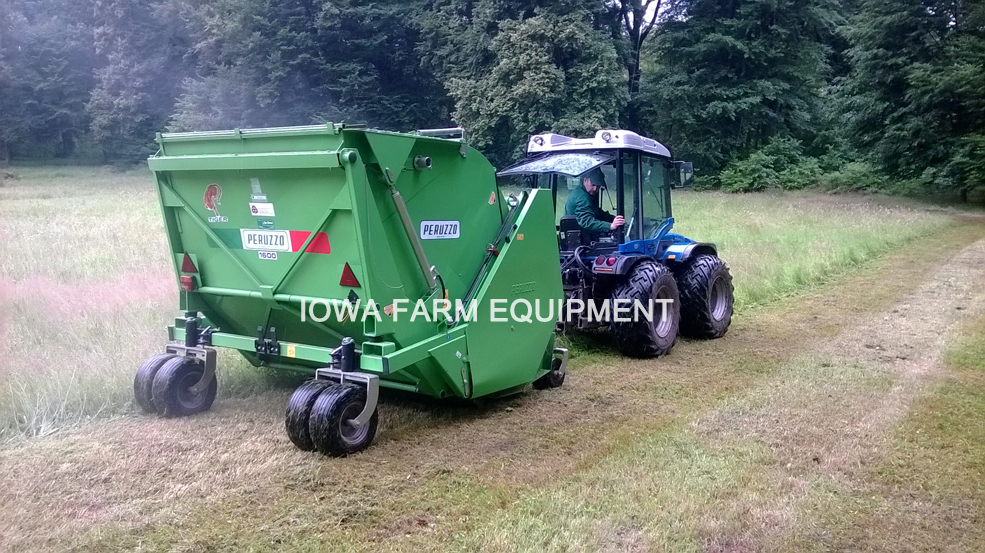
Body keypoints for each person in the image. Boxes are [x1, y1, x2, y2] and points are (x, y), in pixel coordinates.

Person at [563, 169, 624, 238]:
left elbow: (596, 212)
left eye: (598, 186)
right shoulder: (582, 198)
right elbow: (587, 222)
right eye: (593, 185)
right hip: (579, 239)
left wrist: (613, 219)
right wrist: (610, 226)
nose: (595, 189)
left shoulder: (584, 193)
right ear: (585, 180)